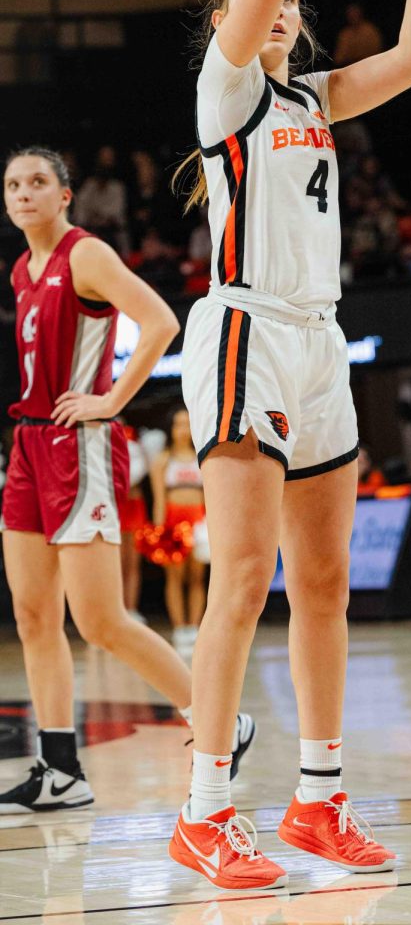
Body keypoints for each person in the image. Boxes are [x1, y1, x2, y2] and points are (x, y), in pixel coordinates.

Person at [168, 0, 411, 889]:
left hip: (317, 337)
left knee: (323, 583)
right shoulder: (230, 92)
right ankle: (203, 811)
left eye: (289, 1)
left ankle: (319, 801)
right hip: (243, 327)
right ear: (233, 21)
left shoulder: (313, 97)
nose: (280, 3)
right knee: (240, 580)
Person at [0, 148, 254, 814]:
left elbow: (162, 323)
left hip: (78, 446)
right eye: (13, 185)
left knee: (101, 620)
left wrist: (110, 400)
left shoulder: (84, 256)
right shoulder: (22, 268)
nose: (24, 194)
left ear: (65, 195)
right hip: (28, 443)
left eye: (37, 183)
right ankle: (60, 771)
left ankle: (221, 717)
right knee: (33, 616)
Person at [150, 408, 207, 647]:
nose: (183, 430)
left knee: (197, 577)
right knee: (174, 577)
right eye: (178, 424)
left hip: (199, 520)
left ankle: (194, 627)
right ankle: (179, 627)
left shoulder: (203, 457)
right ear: (171, 429)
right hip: (173, 519)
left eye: (187, 424)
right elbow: (159, 499)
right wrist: (159, 529)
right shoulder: (163, 459)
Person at [119, 422, 149, 619]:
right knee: (117, 564)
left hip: (135, 504)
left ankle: (131, 610)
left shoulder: (136, 441)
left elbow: (139, 472)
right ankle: (117, 611)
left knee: (133, 564)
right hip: (115, 505)